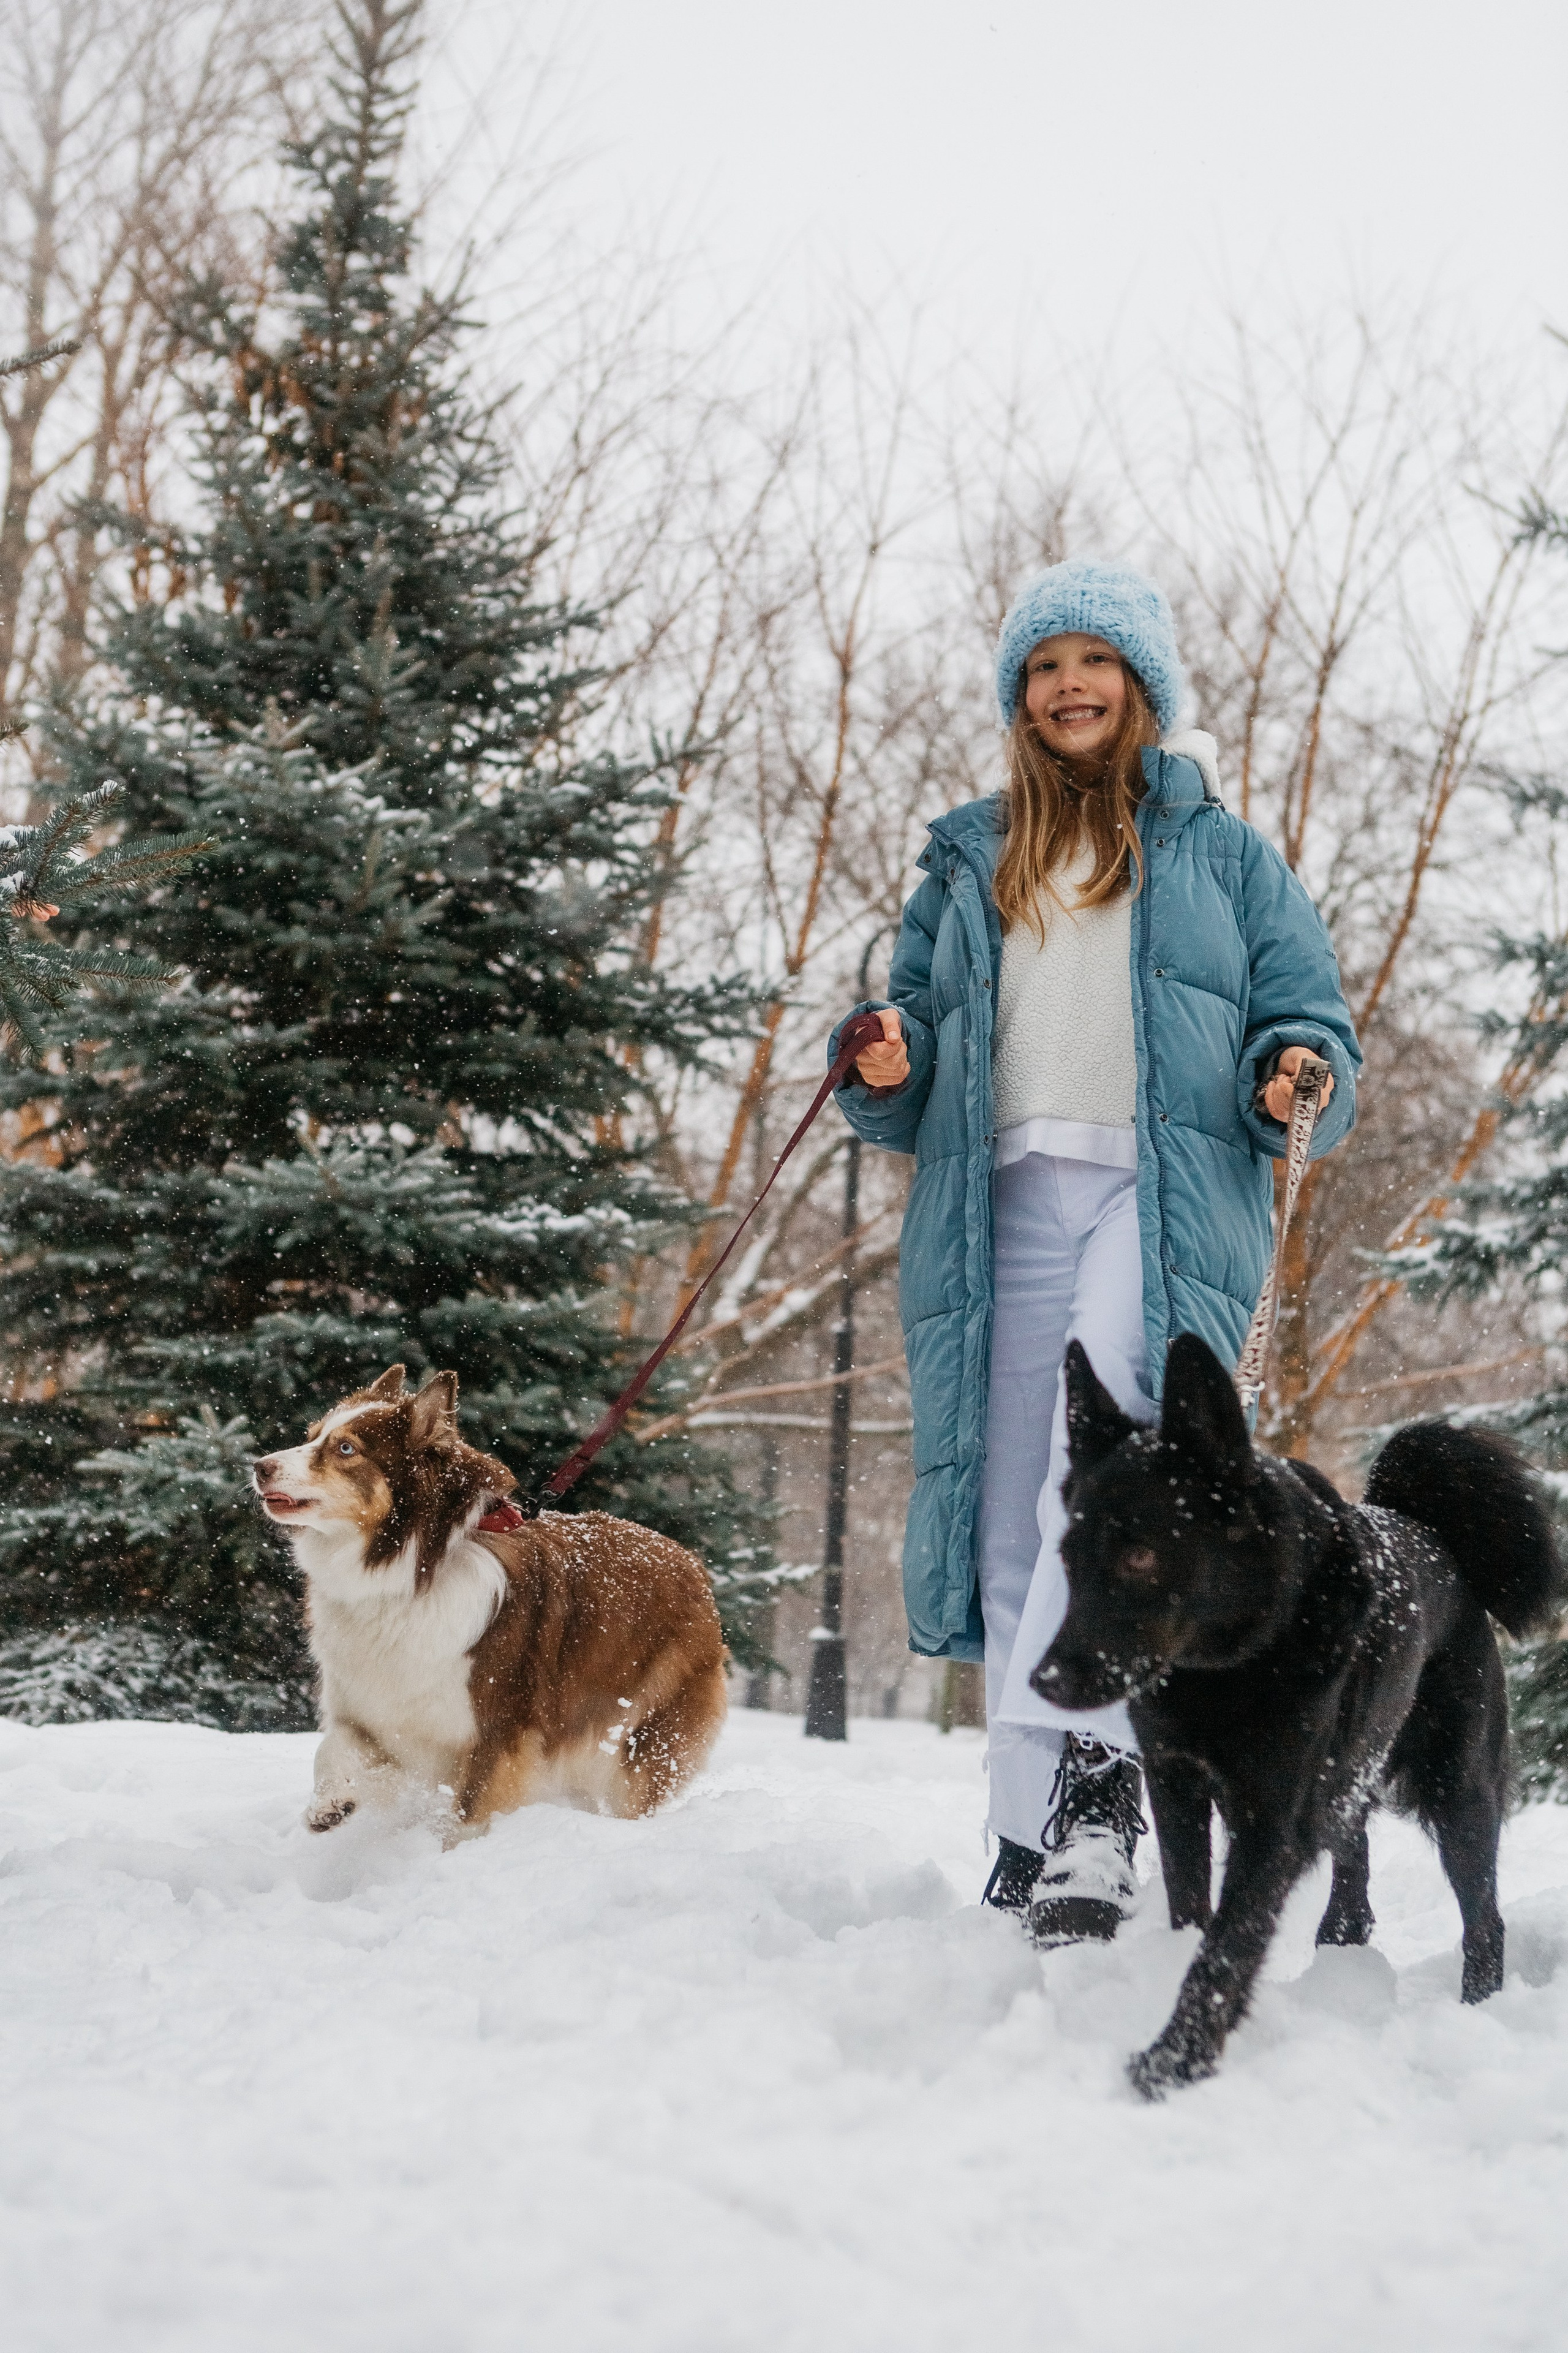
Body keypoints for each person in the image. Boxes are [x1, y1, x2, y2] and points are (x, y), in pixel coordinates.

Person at [827, 558, 1361, 1945]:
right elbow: (911, 1057)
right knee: (1012, 1505)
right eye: (1045, 664)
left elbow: (1306, 1023)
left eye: (1095, 662)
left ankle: (1106, 1797)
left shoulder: (1225, 856)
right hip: (997, 1196)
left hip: (1155, 1191)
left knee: (1108, 1478)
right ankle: (1024, 1821)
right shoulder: (965, 859)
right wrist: (883, 1059)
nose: (1069, 684)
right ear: (1021, 695)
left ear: (1138, 689)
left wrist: (1290, 1069)